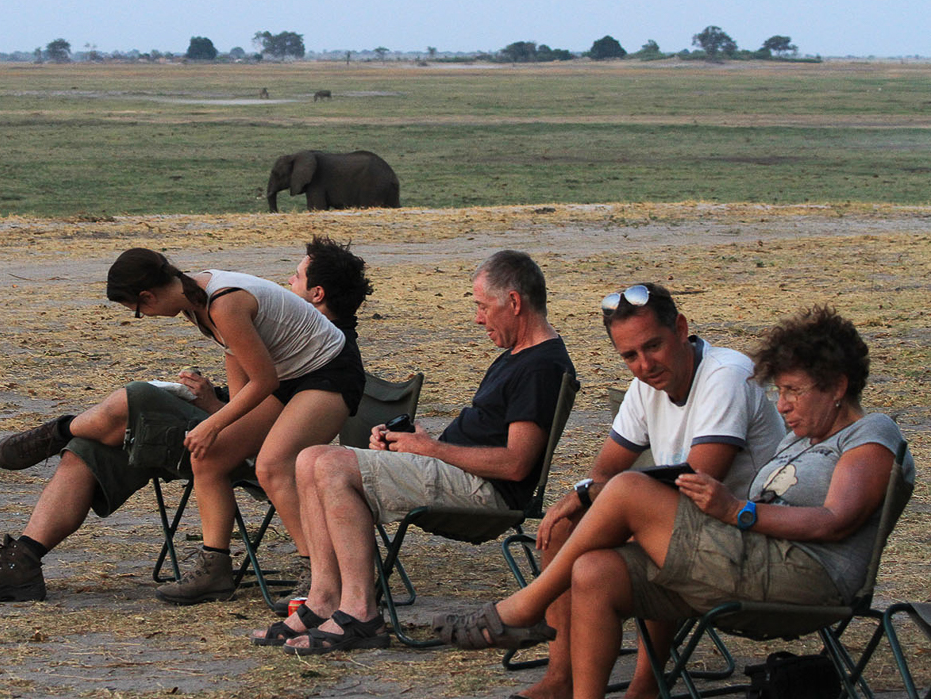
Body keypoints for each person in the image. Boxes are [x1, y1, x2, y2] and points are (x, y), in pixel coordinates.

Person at [433, 305, 915, 699]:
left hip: (806, 578)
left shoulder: (870, 434)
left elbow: (836, 521)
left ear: (837, 387)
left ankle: (524, 607)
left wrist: (739, 511)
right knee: (594, 571)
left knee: (626, 489)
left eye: (793, 392)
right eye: (780, 391)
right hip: (749, 561)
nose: (782, 404)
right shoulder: (800, 441)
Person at [0, 238, 370, 604]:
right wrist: (216, 420)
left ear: (147, 297)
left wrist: (213, 422)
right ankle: (215, 569)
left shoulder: (222, 301)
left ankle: (315, 572)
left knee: (271, 464)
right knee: (209, 457)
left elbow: (264, 380)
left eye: (135, 311)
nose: (142, 317)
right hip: (289, 382)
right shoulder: (198, 304)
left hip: (329, 373)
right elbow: (244, 377)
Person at [251, 250, 575, 654]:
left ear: (513, 302)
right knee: (310, 458)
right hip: (460, 474)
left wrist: (429, 448)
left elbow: (514, 464)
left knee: (331, 464)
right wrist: (414, 445)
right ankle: (322, 601)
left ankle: (360, 613)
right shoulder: (518, 357)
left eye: (482, 307)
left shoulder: (540, 367)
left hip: (484, 492)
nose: (478, 318)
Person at [519, 282, 784, 699]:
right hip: (689, 531)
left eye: (653, 346)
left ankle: (644, 684)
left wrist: (598, 499)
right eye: (629, 355)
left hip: (747, 539)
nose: (643, 364)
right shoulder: (647, 386)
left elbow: (698, 483)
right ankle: (560, 679)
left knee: (626, 531)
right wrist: (582, 501)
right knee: (566, 525)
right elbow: (604, 470)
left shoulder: (726, 374)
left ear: (681, 328)